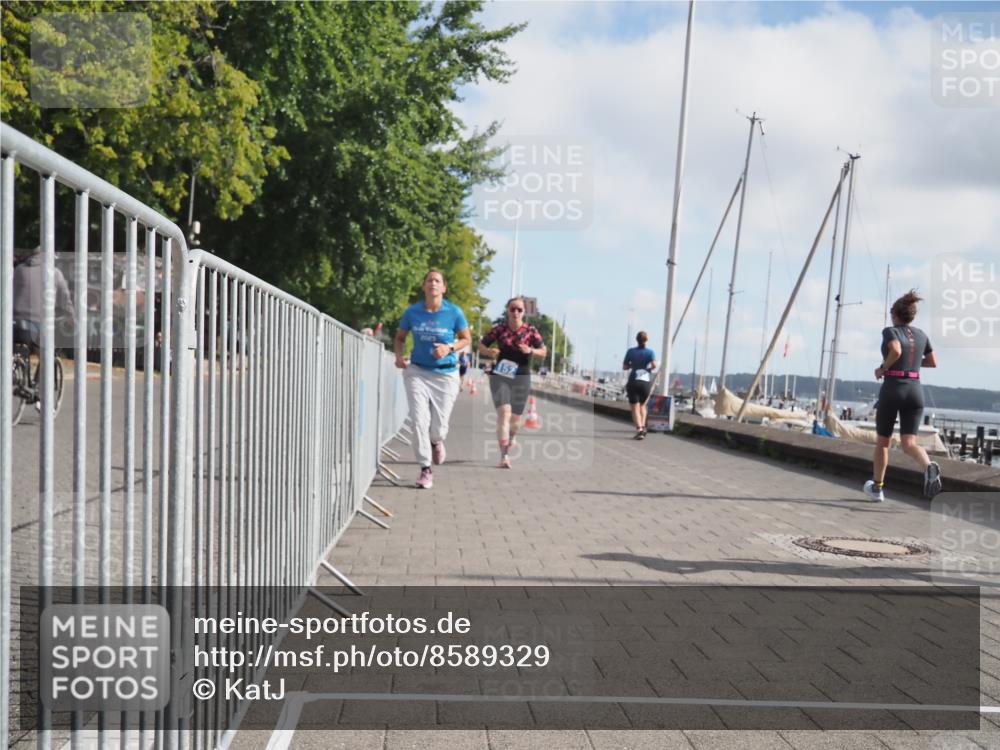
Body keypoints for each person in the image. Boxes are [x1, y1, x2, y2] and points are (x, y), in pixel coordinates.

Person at [394, 270, 471, 489]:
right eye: (429, 280)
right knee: (419, 420)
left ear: (444, 287)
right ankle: (425, 469)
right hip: (417, 371)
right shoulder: (412, 312)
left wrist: (449, 348)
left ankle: (436, 441)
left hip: (446, 374)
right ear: (424, 286)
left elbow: (466, 338)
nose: (433, 283)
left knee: (439, 427)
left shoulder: (454, 312)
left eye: (437, 281)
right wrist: (398, 356)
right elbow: (400, 337)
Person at [863, 290, 941, 502]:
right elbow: (932, 362)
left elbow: (896, 350)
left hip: (893, 389)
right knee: (909, 443)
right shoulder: (922, 335)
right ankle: (928, 466)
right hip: (915, 391)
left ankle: (877, 488)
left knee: (883, 442)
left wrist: (883, 368)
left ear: (895, 314)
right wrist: (912, 363)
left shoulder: (890, 331)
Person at [478, 297, 546, 468]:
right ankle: (504, 456)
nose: (516, 312)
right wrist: (489, 351)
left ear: (524, 312)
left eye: (519, 309)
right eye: (512, 309)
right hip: (501, 375)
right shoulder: (499, 329)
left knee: (515, 419)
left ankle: (512, 437)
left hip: (521, 375)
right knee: (504, 413)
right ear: (507, 310)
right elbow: (481, 345)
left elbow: (543, 351)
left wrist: (530, 350)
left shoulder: (530, 330)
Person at [13, 247, 73, 346]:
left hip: (15, 322)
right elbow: (65, 299)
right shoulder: (55, 273)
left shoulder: (19, 269)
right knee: (45, 349)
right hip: (39, 323)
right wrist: (71, 316)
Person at [622, 331, 657, 439]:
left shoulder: (631, 351)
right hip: (645, 382)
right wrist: (647, 369)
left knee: (635, 408)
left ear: (637, 340)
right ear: (646, 340)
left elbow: (625, 367)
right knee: (642, 405)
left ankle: (640, 430)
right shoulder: (650, 352)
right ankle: (643, 426)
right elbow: (654, 365)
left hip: (633, 381)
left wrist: (632, 366)